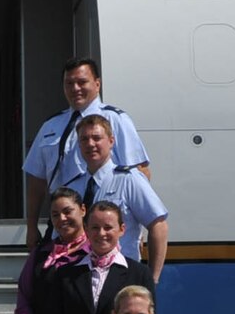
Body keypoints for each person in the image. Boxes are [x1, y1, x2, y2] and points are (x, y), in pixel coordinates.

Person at [21, 57, 152, 231]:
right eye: (69, 83)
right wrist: (31, 227)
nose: (75, 88)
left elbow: (140, 171)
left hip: (103, 226)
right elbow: (37, 181)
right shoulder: (51, 126)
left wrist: (137, 223)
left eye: (82, 82)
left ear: (97, 84)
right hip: (64, 225)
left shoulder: (116, 120)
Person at [63, 115, 169, 280]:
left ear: (111, 141)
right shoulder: (72, 188)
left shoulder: (129, 180)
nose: (90, 144)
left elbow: (158, 225)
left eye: (97, 138)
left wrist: (152, 280)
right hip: (82, 278)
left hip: (122, 276)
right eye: (84, 139)